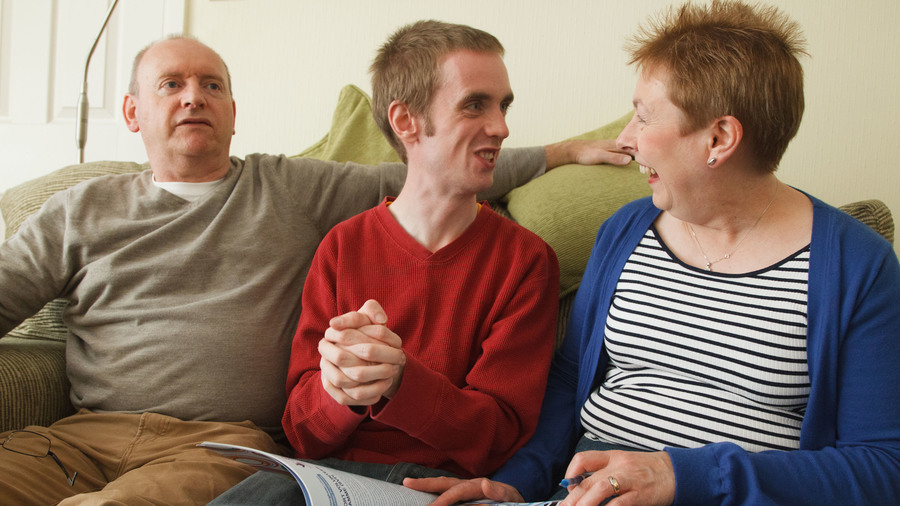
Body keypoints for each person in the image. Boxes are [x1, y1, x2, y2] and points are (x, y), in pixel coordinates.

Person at [0, 35, 628, 505]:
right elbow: (308, 424)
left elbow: (420, 176)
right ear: (132, 112)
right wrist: (340, 389)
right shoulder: (78, 209)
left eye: (213, 84)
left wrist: (561, 152)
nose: (195, 96)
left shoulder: (292, 190)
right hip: (86, 437)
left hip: (226, 447)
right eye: (171, 84)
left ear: (235, 110)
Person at [406, 1, 900, 504]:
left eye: (643, 117)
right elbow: (570, 377)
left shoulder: (859, 265)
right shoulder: (627, 231)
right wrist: (516, 481)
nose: (626, 141)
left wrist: (680, 476)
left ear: (719, 138)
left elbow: (883, 466)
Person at [211, 19, 561, 504]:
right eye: (475, 105)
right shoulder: (342, 246)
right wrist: (339, 391)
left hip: (438, 488)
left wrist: (399, 381)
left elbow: (500, 436)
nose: (501, 127)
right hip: (325, 477)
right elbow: (303, 433)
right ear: (405, 121)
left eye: (503, 106)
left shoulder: (525, 260)